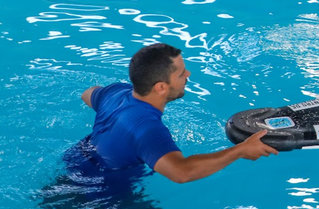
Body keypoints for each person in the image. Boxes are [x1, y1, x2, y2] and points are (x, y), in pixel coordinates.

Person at [78, 43, 276, 183]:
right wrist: (240, 150)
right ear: (161, 87)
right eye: (181, 74)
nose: (188, 74)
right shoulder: (148, 130)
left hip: (79, 161)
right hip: (101, 187)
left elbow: (88, 93)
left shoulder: (115, 92)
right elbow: (182, 172)